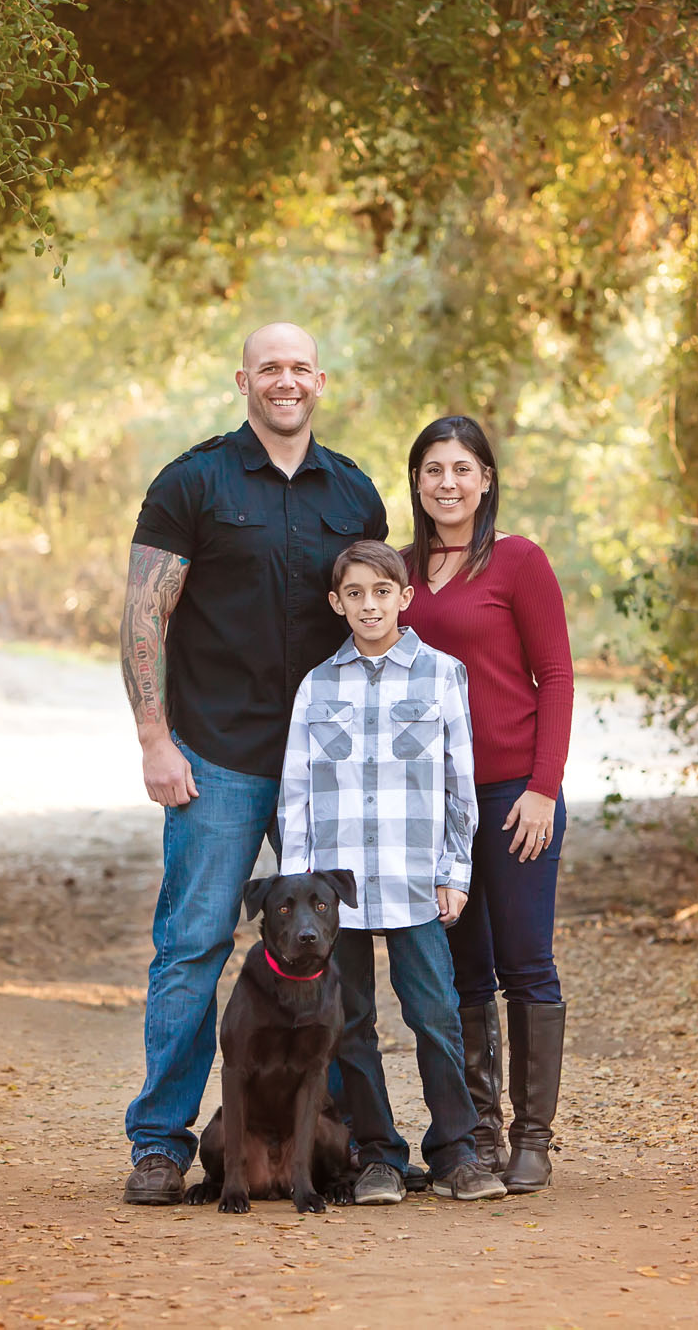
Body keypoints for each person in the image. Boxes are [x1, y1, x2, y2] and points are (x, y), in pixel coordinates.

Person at [119, 322, 388, 1205]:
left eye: (299, 368)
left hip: (323, 762)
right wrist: (155, 737)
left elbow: (377, 615)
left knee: (335, 948)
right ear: (244, 379)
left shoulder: (353, 491)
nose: (285, 381)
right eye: (268, 367)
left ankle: (339, 1147)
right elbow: (144, 615)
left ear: (322, 380)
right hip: (218, 756)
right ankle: (160, 1141)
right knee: (192, 944)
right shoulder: (191, 480)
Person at [279, 539, 507, 1205]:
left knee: (434, 1013)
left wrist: (454, 869)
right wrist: (299, 893)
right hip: (336, 894)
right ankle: (378, 1152)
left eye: (383, 591)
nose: (370, 604)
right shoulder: (319, 685)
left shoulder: (441, 675)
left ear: (404, 597)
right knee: (349, 1022)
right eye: (355, 593)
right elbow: (297, 793)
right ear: (337, 602)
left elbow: (459, 783)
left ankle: (456, 1150)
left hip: (414, 879)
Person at [399, 415, 572, 1194]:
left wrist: (543, 787)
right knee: (463, 967)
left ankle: (534, 1136)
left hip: (512, 796)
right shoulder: (397, 571)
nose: (447, 483)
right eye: (433, 469)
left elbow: (556, 678)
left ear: (487, 479)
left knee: (525, 962)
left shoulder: (517, 562)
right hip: (435, 802)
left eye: (462, 468)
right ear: (417, 482)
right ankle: (478, 1133)